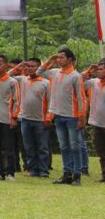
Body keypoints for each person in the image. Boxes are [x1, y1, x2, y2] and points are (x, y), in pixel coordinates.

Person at [38, 47, 88, 185]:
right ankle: (67, 174)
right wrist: (49, 60)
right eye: (58, 57)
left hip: (72, 117)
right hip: (58, 116)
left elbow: (81, 98)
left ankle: (77, 175)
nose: (59, 60)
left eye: (61, 57)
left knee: (75, 146)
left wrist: (82, 117)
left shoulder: (76, 76)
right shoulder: (55, 73)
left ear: (70, 59)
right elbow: (39, 72)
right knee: (64, 147)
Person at [12, 58, 51, 178]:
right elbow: (7, 76)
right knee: (29, 146)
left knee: (42, 147)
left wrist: (48, 118)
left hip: (40, 120)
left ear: (39, 68)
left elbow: (51, 102)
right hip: (25, 119)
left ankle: (43, 170)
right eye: (28, 66)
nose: (30, 68)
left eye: (33, 66)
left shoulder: (45, 83)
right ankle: (33, 169)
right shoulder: (22, 80)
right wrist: (19, 67)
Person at [84, 59, 105, 183]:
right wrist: (88, 71)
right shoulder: (93, 82)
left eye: (101, 69)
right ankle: (104, 175)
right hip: (97, 122)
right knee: (101, 151)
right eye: (98, 69)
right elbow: (78, 81)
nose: (98, 72)